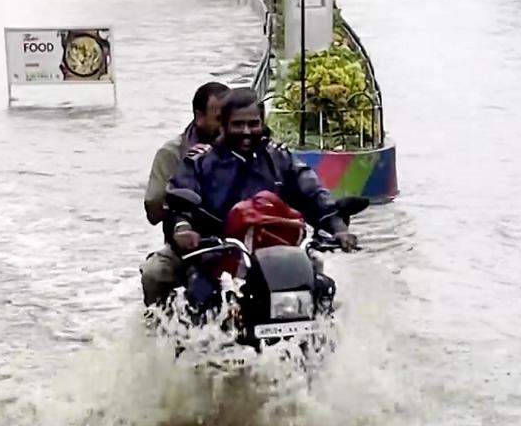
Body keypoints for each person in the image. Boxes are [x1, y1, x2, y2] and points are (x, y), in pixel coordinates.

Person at [163, 88, 358, 303]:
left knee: (323, 290)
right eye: (238, 124)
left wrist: (339, 228)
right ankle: (188, 335)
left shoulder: (281, 159)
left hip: (281, 259)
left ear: (262, 122)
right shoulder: (201, 163)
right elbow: (179, 202)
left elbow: (312, 193)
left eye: (253, 124)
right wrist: (184, 228)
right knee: (202, 297)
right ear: (223, 124)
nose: (246, 131)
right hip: (218, 257)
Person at [138, 81, 230, 307]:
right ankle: (158, 327)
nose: (225, 125)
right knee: (154, 273)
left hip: (241, 241)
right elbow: (153, 211)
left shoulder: (244, 147)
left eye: (229, 118)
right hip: (190, 245)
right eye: (218, 118)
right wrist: (179, 195)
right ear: (199, 116)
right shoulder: (174, 153)